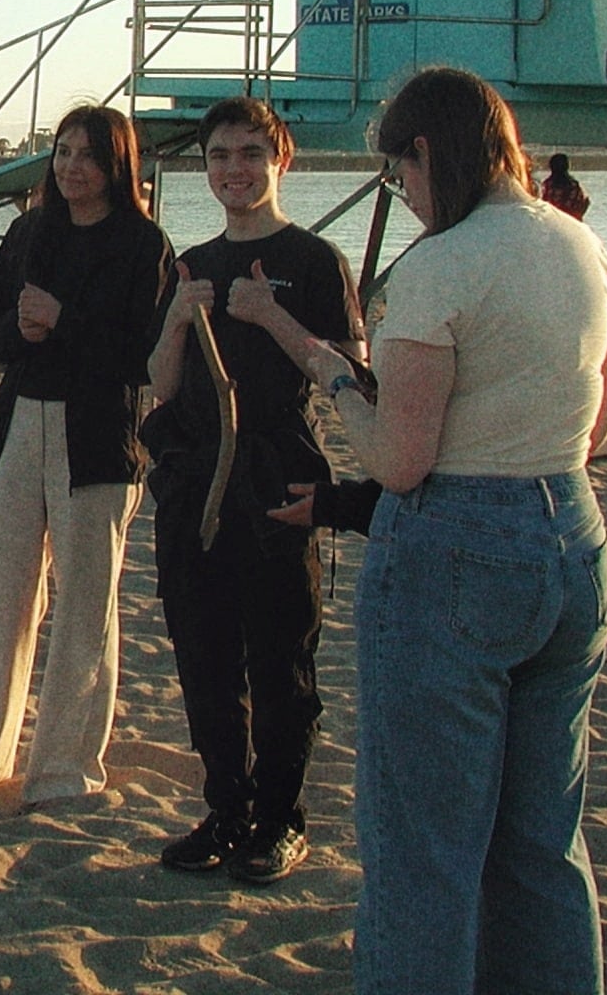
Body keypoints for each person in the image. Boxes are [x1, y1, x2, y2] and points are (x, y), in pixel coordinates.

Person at [283, 67, 607, 995]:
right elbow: (599, 428)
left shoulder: (440, 265)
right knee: (543, 845)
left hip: (458, 551)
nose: (402, 194)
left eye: (398, 175)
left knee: (422, 855)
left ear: (425, 152)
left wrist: (338, 378)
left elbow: (400, 462)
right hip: (571, 539)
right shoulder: (580, 247)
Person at [143, 97, 365, 882]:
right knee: (203, 658)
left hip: (277, 479)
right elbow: (162, 389)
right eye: (218, 156)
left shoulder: (313, 260)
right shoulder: (193, 261)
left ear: (280, 161)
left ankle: (279, 818)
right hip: (196, 483)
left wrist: (272, 318)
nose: (233, 170)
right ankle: (225, 809)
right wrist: (174, 321)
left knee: (279, 660)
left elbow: (353, 381)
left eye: (249, 154)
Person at [0, 105, 171, 806]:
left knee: (86, 606)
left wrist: (64, 321)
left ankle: (65, 768)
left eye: (87, 155)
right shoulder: (29, 232)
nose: (71, 167)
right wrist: (23, 332)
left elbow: (143, 358)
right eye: (62, 152)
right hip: (20, 423)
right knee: (1, 595)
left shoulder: (145, 245)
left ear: (117, 165)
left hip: (100, 438)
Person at [541, 152, 591, 220]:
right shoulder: (574, 186)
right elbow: (584, 203)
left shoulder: (546, 185)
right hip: (570, 223)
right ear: (567, 166)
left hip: (550, 221)